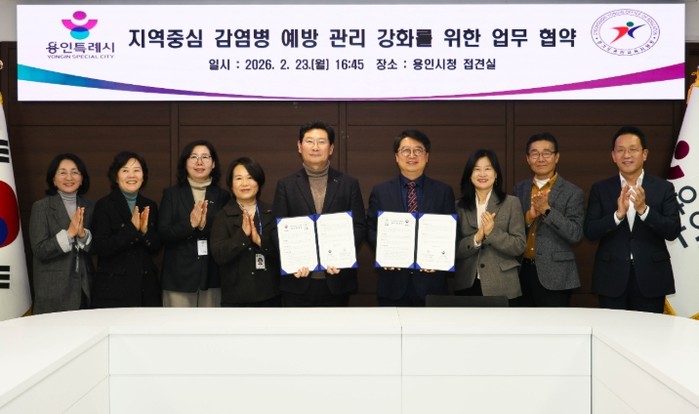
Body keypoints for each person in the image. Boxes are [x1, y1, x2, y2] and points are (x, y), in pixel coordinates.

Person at [584, 126, 680, 313]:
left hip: (651, 277)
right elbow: (590, 231)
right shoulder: (600, 189)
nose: (626, 155)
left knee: (649, 330)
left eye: (633, 149)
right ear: (613, 156)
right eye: (620, 150)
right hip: (611, 277)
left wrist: (644, 210)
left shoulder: (663, 188)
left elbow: (672, 230)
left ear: (644, 154)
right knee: (612, 329)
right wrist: (617, 215)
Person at [272, 121, 366, 307]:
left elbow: (359, 226)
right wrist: (293, 260)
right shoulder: (286, 185)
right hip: (297, 279)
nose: (315, 147)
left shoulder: (348, 184)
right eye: (309, 141)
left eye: (321, 142)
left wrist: (341, 257)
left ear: (331, 148)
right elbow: (276, 230)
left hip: (336, 279)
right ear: (299, 146)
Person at [367, 129, 456, 306]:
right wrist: (386, 255)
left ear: (427, 156)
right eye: (406, 150)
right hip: (392, 283)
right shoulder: (381, 191)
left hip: (432, 284)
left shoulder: (443, 191)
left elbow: (452, 232)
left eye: (418, 150)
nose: (412, 155)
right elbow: (371, 229)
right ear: (396, 156)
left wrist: (439, 258)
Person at [513, 133, 584, 307]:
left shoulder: (572, 192)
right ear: (528, 159)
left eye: (546, 153)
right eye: (535, 154)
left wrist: (547, 211)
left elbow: (575, 233)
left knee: (554, 324)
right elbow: (511, 228)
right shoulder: (519, 189)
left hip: (556, 274)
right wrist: (529, 217)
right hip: (521, 271)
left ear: (556, 157)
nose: (540, 159)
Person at [158, 140, 230, 307]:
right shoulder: (172, 194)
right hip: (178, 278)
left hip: (212, 277)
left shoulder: (223, 196)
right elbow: (163, 233)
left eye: (205, 157)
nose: (199, 162)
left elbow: (225, 235)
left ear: (213, 164)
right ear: (185, 163)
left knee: (210, 324)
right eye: (193, 157)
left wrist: (203, 226)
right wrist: (190, 224)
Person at [454, 149, 526, 305]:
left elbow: (519, 246)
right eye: (477, 169)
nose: (482, 174)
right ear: (469, 175)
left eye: (487, 169)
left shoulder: (511, 203)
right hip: (467, 284)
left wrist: (492, 233)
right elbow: (453, 249)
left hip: (502, 284)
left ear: (496, 174)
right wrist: (477, 238)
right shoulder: (459, 207)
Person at [91, 151, 162, 308]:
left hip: (146, 288)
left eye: (137, 170)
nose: (132, 175)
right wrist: (131, 229)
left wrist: (145, 232)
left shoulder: (150, 205)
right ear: (116, 177)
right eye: (125, 170)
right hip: (115, 290)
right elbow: (100, 247)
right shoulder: (104, 205)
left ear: (143, 176)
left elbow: (156, 247)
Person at [29, 153, 94, 314]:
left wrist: (83, 236)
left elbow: (98, 246)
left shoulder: (91, 206)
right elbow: (39, 250)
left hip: (85, 289)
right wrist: (69, 234)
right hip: (53, 291)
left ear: (82, 178)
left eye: (75, 172)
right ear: (53, 179)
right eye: (63, 172)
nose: (69, 177)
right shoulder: (41, 207)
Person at [211, 157, 280, 306]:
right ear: (231, 185)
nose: (244, 183)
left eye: (250, 177)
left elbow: (282, 253)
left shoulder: (272, 212)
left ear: (259, 181)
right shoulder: (222, 216)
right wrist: (242, 236)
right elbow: (219, 255)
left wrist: (259, 240)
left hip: (270, 294)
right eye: (238, 178)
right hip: (235, 297)